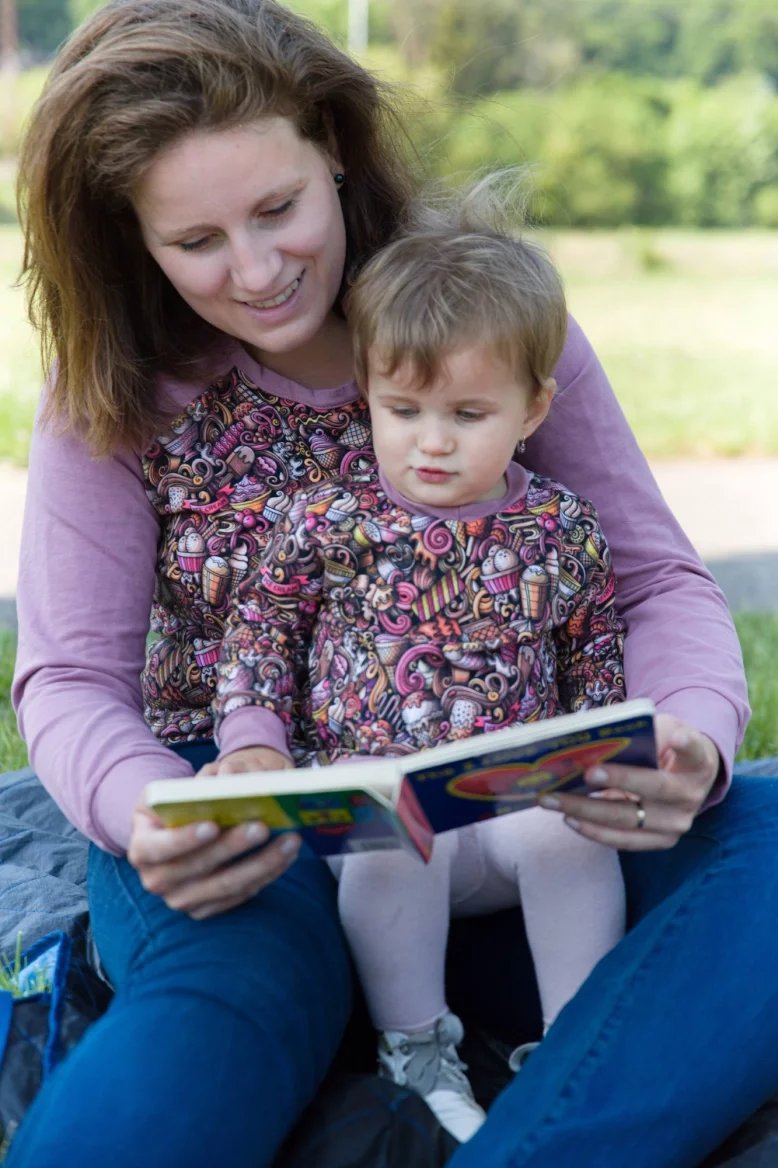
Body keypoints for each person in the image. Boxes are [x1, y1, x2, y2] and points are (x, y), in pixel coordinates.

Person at [8, 0, 777, 1165]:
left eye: (278, 209)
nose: (257, 270)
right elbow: (69, 679)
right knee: (210, 1018)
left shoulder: (481, 317)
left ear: (331, 144)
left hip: (515, 815)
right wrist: (146, 810)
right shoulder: (117, 385)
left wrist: (693, 742)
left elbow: (655, 583)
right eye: (197, 240)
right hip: (258, 836)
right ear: (131, 236)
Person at [210, 197, 628, 1142]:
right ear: (366, 392)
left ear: (534, 409)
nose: (432, 441)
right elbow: (260, 636)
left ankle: (576, 1047)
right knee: (391, 831)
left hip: (509, 807)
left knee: (571, 836)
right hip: (380, 814)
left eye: (468, 415)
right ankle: (418, 1050)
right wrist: (250, 742)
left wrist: (598, 761)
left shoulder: (561, 529)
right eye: (403, 411)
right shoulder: (331, 519)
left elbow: (594, 656)